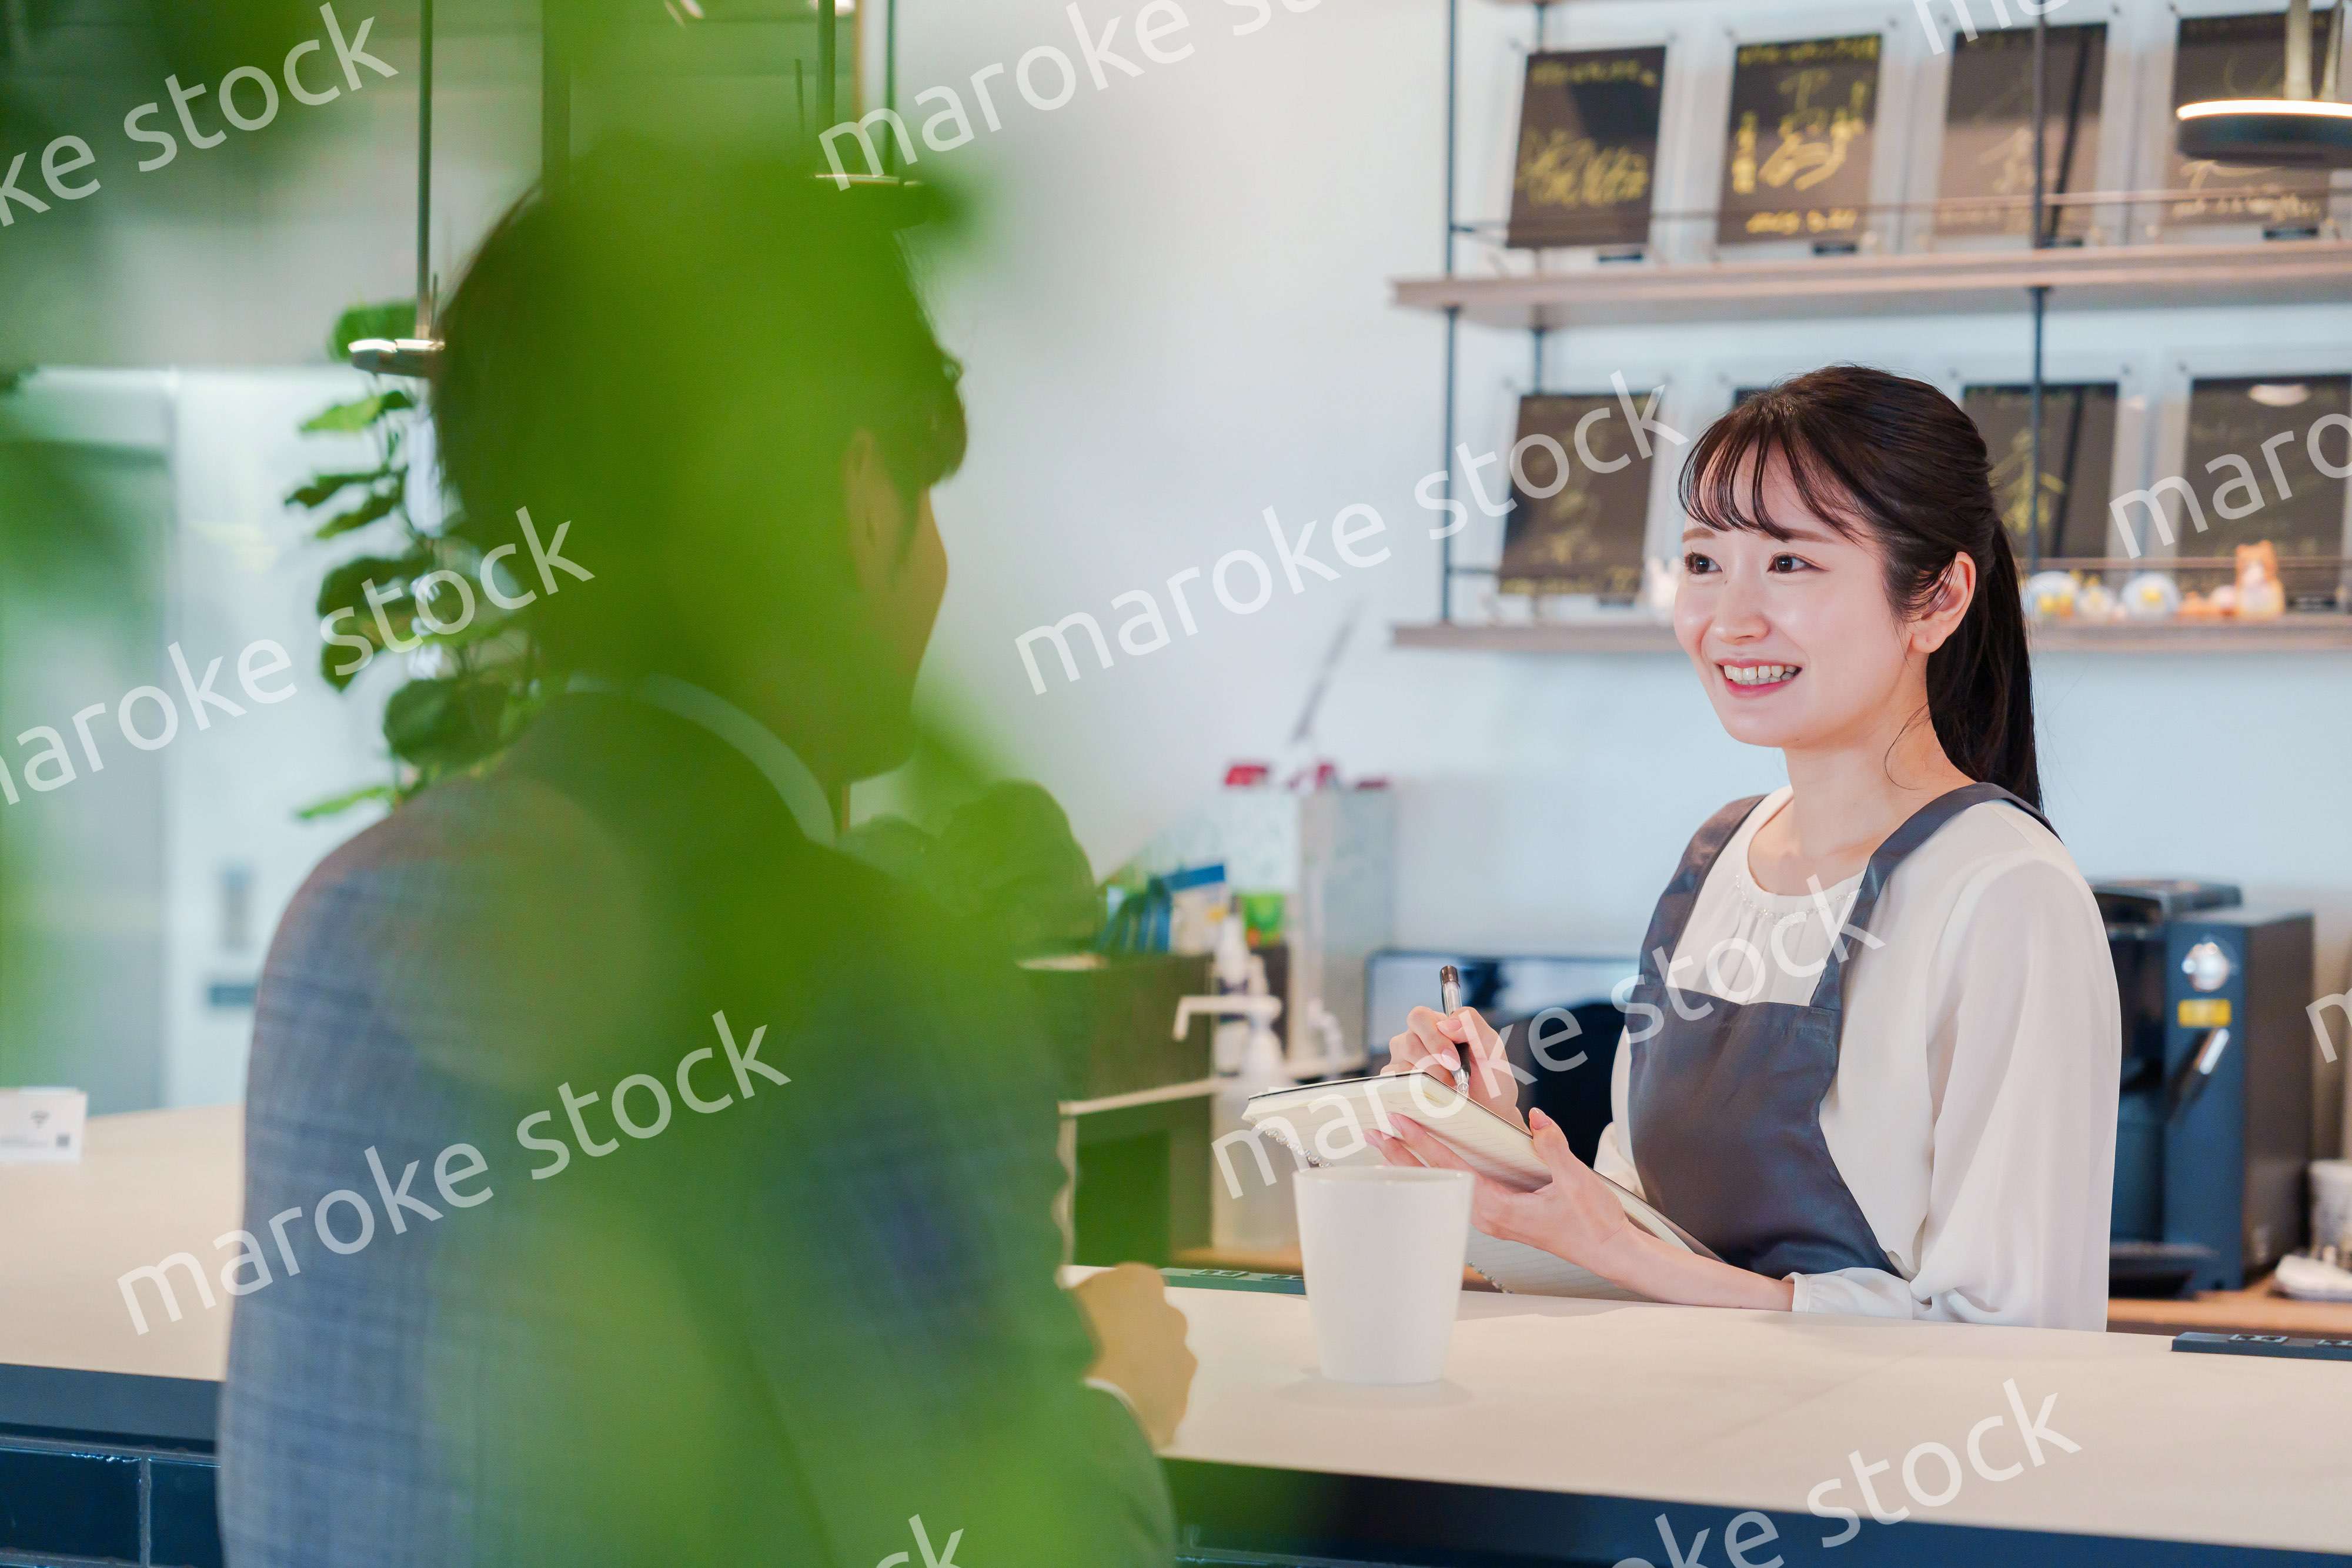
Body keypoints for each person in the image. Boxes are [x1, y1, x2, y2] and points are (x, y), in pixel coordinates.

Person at [219, 145, 1192, 1565]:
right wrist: (1111, 1397)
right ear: (862, 498)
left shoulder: (343, 916)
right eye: (924, 496)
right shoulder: (869, 979)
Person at [1375, 366, 2120, 1330]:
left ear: (1937, 600)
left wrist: (1620, 1250)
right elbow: (1628, 1258)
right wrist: (1495, 1150)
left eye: (1791, 563)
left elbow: (2019, 1342)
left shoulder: (2006, 892)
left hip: (1877, 1441)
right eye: (1702, 562)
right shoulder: (1719, 859)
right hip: (1668, 1422)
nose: (1730, 620)